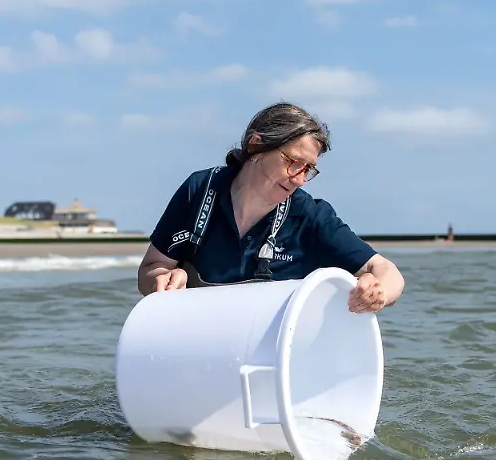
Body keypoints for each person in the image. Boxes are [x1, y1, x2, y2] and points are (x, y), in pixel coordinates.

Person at [137, 102, 405, 314]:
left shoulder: (310, 216)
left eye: (308, 169)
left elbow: (385, 270)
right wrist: (166, 279)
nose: (299, 179)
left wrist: (378, 291)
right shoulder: (200, 190)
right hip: (198, 346)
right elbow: (150, 269)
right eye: (293, 162)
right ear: (256, 146)